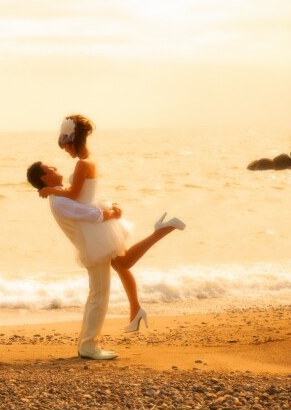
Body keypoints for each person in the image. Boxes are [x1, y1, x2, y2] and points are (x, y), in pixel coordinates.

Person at [27, 116, 185, 359]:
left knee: (105, 284)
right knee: (106, 284)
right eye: (52, 169)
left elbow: (78, 197)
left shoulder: (76, 171)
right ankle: (90, 343)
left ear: (71, 141)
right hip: (93, 235)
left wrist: (107, 210)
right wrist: (109, 211)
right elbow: (81, 201)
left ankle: (89, 343)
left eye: (65, 146)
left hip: (94, 234)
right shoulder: (75, 175)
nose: (62, 157)